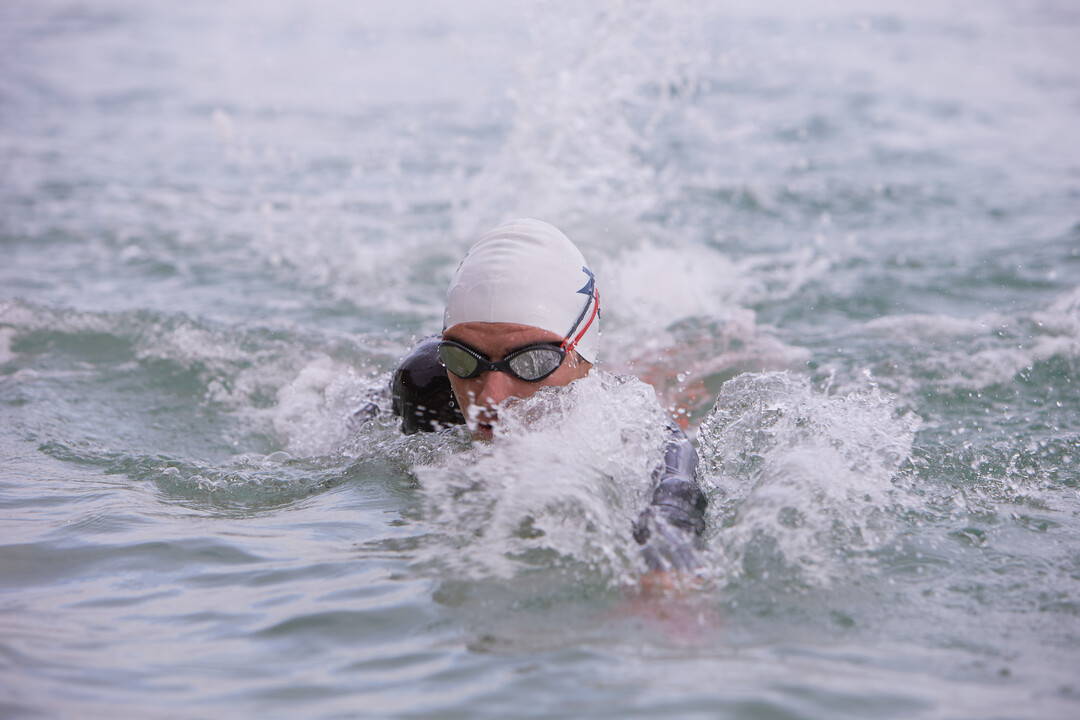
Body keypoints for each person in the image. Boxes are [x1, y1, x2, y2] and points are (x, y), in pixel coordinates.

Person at [391, 218, 707, 576]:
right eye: (464, 358)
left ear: (584, 357)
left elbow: (675, 487)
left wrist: (667, 569)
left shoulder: (622, 419)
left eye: (532, 362)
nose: (491, 399)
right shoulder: (425, 386)